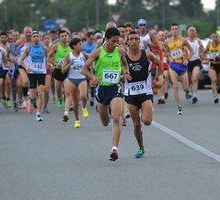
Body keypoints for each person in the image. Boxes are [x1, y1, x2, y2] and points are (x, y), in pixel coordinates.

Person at [81, 27, 130, 161]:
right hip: (102, 89)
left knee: (116, 118)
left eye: (117, 41)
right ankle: (100, 106)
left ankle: (114, 149)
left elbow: (125, 65)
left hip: (115, 88)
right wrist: (93, 77)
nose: (115, 44)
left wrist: (126, 73)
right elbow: (84, 69)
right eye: (113, 41)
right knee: (105, 122)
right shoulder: (97, 52)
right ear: (106, 39)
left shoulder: (120, 51)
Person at [124, 31, 164, 158]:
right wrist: (123, 75)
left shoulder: (147, 54)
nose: (134, 41)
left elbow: (159, 64)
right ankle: (141, 147)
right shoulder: (123, 57)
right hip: (130, 94)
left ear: (139, 41)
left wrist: (156, 77)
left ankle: (144, 114)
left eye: (136, 39)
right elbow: (119, 72)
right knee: (136, 124)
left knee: (146, 121)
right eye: (132, 39)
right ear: (128, 42)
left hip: (145, 92)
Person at [166, 23, 194, 114]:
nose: (174, 30)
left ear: (178, 30)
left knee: (185, 87)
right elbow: (166, 52)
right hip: (173, 65)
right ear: (171, 31)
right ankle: (179, 107)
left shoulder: (183, 40)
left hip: (182, 66)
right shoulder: (168, 42)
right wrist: (169, 57)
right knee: (176, 86)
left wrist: (187, 59)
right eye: (172, 29)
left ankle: (188, 91)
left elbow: (192, 51)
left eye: (175, 29)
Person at [61, 38, 89, 128]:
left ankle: (84, 107)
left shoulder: (83, 55)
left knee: (83, 96)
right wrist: (69, 65)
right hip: (72, 80)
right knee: (75, 102)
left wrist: (91, 72)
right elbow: (63, 71)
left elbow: (91, 62)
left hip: (82, 78)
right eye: (80, 44)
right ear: (74, 46)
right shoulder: (68, 56)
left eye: (82, 44)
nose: (82, 46)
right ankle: (77, 120)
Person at [20, 31, 47, 121]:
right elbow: (21, 61)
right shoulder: (28, 48)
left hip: (42, 72)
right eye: (34, 36)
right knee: (33, 96)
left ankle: (38, 114)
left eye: (37, 36)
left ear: (40, 38)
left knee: (40, 93)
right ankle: (30, 101)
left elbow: (50, 57)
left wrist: (50, 64)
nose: (36, 38)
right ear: (32, 38)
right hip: (32, 73)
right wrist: (26, 67)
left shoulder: (44, 47)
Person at [47, 30, 71, 108]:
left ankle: (69, 105)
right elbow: (48, 58)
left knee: (67, 91)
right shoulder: (56, 46)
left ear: (68, 37)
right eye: (62, 36)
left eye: (65, 36)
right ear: (59, 38)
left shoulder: (71, 46)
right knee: (59, 92)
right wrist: (55, 63)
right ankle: (60, 98)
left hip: (67, 71)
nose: (64, 37)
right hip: (58, 70)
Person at [186, 26, 204, 104]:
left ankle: (194, 95)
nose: (192, 32)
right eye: (190, 30)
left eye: (193, 30)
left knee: (195, 78)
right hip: (187, 61)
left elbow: (203, 50)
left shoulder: (198, 41)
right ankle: (189, 89)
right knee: (189, 80)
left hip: (196, 60)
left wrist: (203, 55)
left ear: (195, 32)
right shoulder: (185, 41)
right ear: (187, 32)